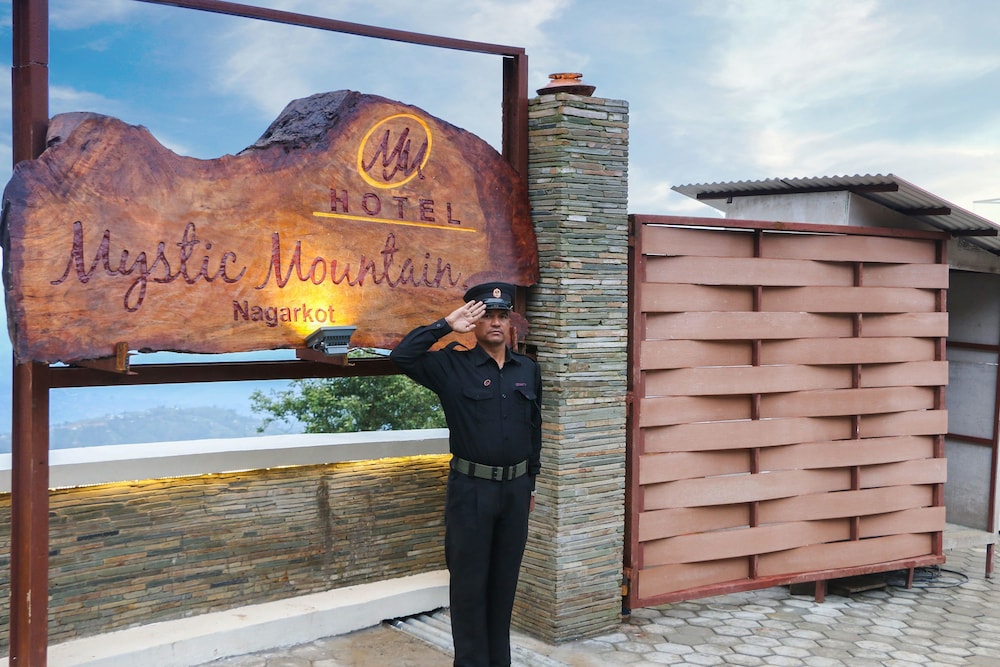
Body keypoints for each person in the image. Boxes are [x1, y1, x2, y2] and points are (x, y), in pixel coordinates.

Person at [390, 281, 542, 667]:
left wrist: (531, 485)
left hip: (515, 491)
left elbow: (534, 430)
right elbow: (402, 356)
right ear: (474, 322)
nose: (496, 322)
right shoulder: (451, 367)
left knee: (504, 586)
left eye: (502, 315)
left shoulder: (528, 369)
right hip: (471, 491)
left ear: (510, 322)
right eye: (487, 315)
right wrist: (445, 325)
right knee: (469, 588)